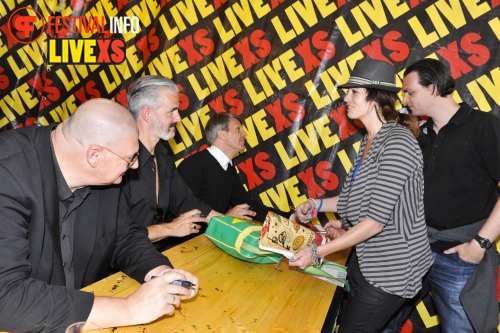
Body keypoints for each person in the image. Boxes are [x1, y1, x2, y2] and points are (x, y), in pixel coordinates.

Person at [0, 98, 198, 332]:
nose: (135, 167)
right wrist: (129, 309)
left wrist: (161, 274)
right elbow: (6, 297)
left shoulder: (107, 175)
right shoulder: (8, 172)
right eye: (130, 158)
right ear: (94, 156)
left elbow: (124, 236)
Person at [288, 58, 433, 333]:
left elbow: (376, 221)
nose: (346, 97)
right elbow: (353, 198)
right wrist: (316, 204)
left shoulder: (398, 143)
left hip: (391, 271)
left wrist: (317, 252)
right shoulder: (369, 140)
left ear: (376, 98)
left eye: (354, 91)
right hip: (367, 261)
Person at [382, 58, 500, 333]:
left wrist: (478, 245)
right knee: (379, 322)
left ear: (433, 87)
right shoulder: (419, 134)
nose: (405, 100)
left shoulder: (483, 126)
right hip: (414, 249)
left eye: (410, 92)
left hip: (458, 255)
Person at [122, 75, 223, 249]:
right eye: (171, 111)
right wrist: (168, 229)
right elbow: (117, 235)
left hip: (152, 256)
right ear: (147, 113)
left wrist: (233, 226)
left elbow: (190, 204)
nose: (178, 118)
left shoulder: (163, 159)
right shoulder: (119, 162)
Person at [177, 112, 288, 223]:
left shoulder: (228, 168)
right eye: (238, 129)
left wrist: (290, 218)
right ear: (222, 134)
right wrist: (224, 218)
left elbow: (247, 205)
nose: (244, 133)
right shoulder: (193, 166)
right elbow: (182, 209)